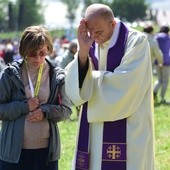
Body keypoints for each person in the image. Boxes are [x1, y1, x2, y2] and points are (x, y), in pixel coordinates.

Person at [65, 3, 155, 170]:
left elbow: (125, 84)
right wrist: (83, 53)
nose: (95, 38)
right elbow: (73, 84)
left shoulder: (136, 41)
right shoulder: (89, 40)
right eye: (90, 31)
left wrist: (89, 83)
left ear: (112, 24)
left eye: (99, 32)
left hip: (128, 124)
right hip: (93, 129)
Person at [0, 25, 72, 170]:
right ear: (23, 51)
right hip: (13, 155)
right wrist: (24, 106)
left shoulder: (57, 76)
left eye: (42, 53)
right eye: (32, 54)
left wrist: (45, 111)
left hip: (46, 154)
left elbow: (66, 110)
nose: (38, 58)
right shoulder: (9, 75)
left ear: (49, 50)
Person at [153, 26, 170, 103]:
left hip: (157, 60)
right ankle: (162, 98)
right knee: (165, 81)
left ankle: (154, 91)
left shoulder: (155, 37)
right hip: (166, 61)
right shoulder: (168, 38)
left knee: (159, 79)